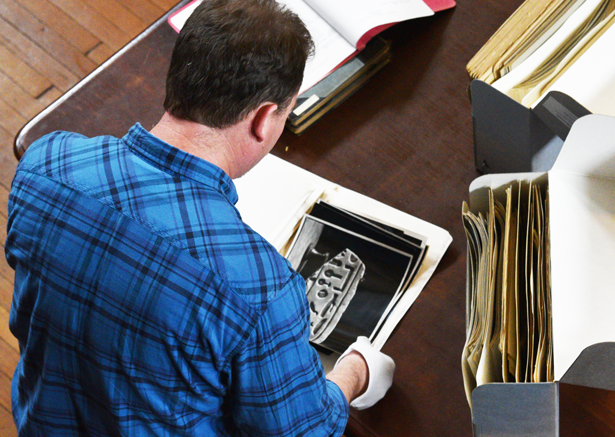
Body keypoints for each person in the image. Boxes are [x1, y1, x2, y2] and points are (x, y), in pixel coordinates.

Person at [5, 0, 394, 435]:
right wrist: (356, 373)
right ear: (265, 119)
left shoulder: (46, 164)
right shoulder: (260, 290)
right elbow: (304, 430)